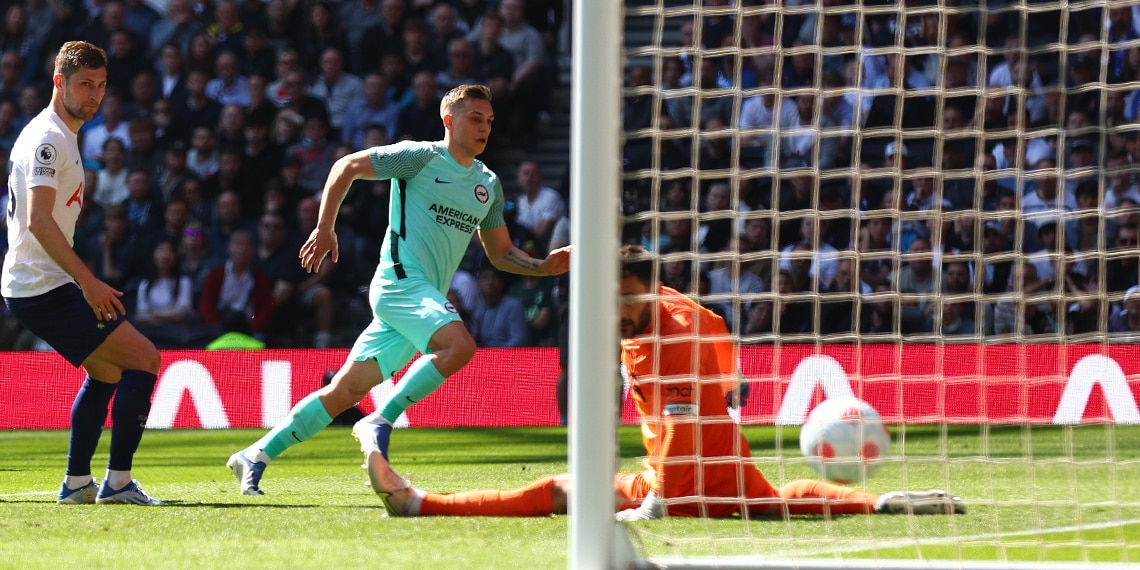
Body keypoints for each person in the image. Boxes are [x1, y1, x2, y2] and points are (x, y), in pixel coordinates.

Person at [361, 245, 965, 519]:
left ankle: (420, 506)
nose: (617, 312)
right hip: (717, 463)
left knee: (562, 491)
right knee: (772, 501)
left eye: (625, 300)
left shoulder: (665, 338)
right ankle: (878, 501)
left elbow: (678, 431)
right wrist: (724, 382)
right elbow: (722, 342)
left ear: (646, 292)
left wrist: (656, 504)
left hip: (680, 475)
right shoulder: (672, 307)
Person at [226, 84, 572, 495]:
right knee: (460, 346)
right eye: (475, 118)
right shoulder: (421, 157)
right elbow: (346, 166)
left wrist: (544, 267)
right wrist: (324, 227)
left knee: (344, 391)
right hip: (399, 284)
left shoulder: (488, 184)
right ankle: (379, 420)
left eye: (490, 121)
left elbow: (500, 253)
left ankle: (255, 454)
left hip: (418, 302)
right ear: (449, 120)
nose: (484, 128)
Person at [1, 41, 162, 505]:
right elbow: (38, 221)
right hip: (43, 284)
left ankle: (77, 484)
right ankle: (117, 484)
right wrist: (88, 282)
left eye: (101, 86)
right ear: (59, 82)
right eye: (85, 85)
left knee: (107, 372)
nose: (94, 95)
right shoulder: (49, 139)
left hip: (38, 282)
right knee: (145, 359)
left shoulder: (60, 132)